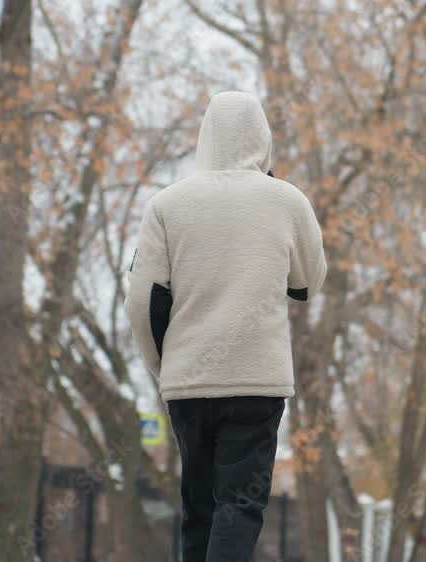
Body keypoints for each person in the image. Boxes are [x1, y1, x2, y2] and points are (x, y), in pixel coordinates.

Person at [124, 91, 327, 562]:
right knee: (238, 506)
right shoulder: (287, 200)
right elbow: (308, 283)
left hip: (188, 383)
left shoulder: (166, 206)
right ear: (264, 139)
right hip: (256, 382)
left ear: (204, 139)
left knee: (198, 509)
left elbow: (143, 302)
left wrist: (165, 367)